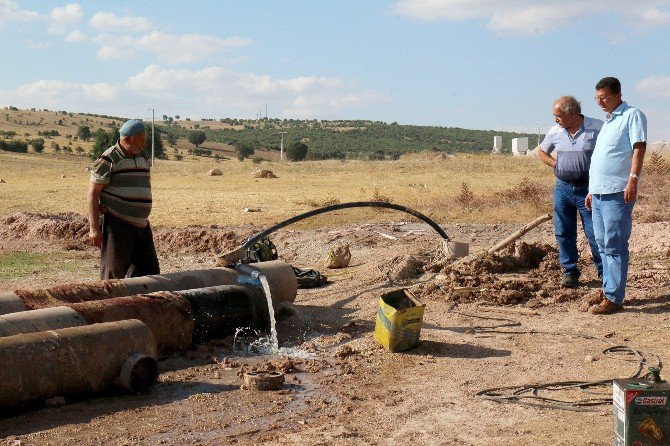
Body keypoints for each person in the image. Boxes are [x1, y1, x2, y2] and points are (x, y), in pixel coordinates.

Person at [586, 77, 647, 315]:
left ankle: (614, 297)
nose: (600, 102)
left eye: (604, 97)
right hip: (600, 192)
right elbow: (602, 159)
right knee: (602, 243)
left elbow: (638, 148)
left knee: (615, 242)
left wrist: (633, 179)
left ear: (617, 95)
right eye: (597, 98)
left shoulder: (632, 115)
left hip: (617, 191)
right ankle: (608, 288)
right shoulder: (609, 121)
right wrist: (592, 189)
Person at [537, 96, 603, 288]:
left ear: (571, 113)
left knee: (595, 232)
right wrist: (555, 164)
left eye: (558, 116)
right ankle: (570, 272)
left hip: (589, 189)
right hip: (562, 188)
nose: (555, 120)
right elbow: (541, 152)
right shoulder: (555, 131)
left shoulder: (597, 127)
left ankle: (603, 272)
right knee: (563, 232)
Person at [87, 119, 160, 279]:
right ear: (127, 139)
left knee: (149, 275)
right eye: (141, 140)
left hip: (142, 226)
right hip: (117, 224)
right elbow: (93, 194)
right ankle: (110, 303)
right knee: (113, 276)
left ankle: (140, 304)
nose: (143, 144)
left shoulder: (143, 155)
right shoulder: (108, 159)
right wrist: (94, 229)